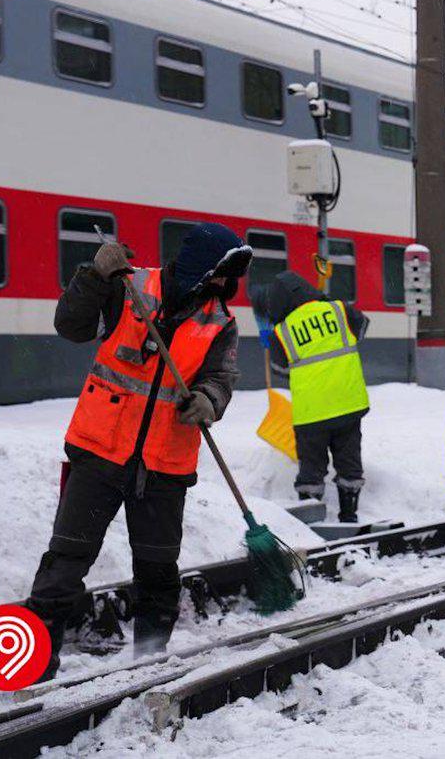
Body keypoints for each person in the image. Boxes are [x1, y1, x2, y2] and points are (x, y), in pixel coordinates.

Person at [26, 223, 251, 679]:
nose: (226, 282)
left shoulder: (220, 322)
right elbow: (71, 326)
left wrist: (209, 399)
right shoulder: (129, 287)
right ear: (201, 266)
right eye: (222, 271)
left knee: (158, 572)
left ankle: (148, 663)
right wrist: (94, 276)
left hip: (165, 465)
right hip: (100, 452)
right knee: (65, 563)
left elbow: (221, 378)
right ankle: (33, 667)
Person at [266, 270, 371, 522]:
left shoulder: (282, 331)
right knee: (349, 461)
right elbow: (363, 328)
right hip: (348, 403)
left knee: (311, 468)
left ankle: (311, 520)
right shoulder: (338, 309)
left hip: (311, 413)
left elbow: (280, 369)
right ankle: (349, 515)